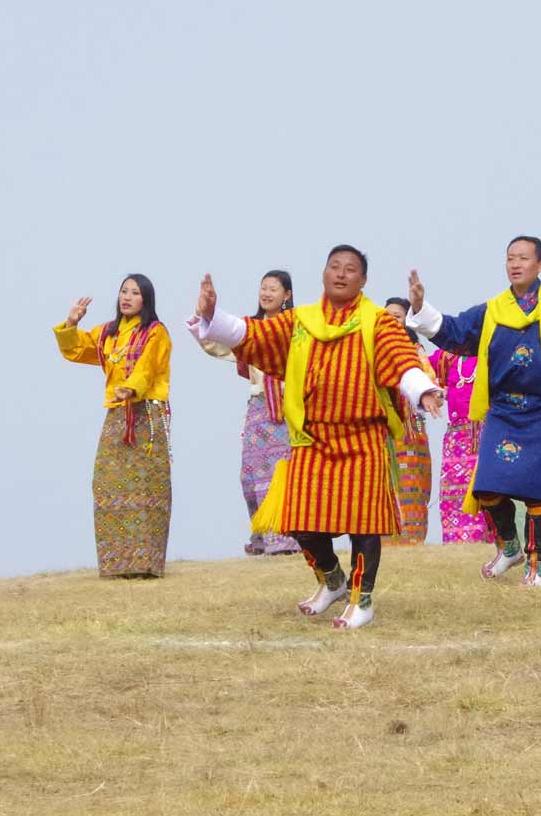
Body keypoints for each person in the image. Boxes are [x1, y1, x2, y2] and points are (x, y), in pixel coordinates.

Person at [188, 245, 444, 630]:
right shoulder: (301, 321)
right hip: (313, 439)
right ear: (323, 274)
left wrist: (421, 389)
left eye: (351, 269)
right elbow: (254, 333)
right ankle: (333, 580)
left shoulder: (379, 322)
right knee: (299, 522)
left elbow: (400, 359)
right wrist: (212, 316)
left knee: (364, 525)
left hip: (363, 440)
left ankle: (362, 600)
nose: (341, 274)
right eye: (335, 267)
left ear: (363, 280)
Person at [405, 235, 541, 585]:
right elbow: (455, 331)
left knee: (537, 496)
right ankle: (510, 546)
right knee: (488, 488)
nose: (515, 264)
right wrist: (420, 307)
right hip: (503, 412)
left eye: (523, 258)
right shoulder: (492, 310)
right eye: (510, 258)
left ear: (540, 265)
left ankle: (538, 564)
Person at [55, 275, 174, 578]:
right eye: (124, 291)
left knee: (146, 488)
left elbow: (148, 367)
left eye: (135, 293)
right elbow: (76, 350)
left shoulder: (156, 332)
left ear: (146, 299)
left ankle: (145, 564)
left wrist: (131, 388)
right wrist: (70, 323)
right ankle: (115, 564)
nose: (127, 297)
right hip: (116, 415)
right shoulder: (109, 333)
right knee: (106, 484)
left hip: (146, 415)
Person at [206, 271, 299, 556]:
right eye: (263, 288)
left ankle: (286, 540)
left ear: (287, 296)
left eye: (273, 288)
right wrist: (206, 318)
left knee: (283, 475)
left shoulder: (296, 327)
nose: (267, 293)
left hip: (290, 410)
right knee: (250, 476)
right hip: (259, 410)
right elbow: (220, 346)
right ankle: (261, 534)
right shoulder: (252, 330)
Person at [383, 297, 437, 545]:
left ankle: (412, 540)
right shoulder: (372, 349)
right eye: (388, 315)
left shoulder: (416, 352)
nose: (392, 319)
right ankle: (381, 539)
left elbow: (430, 384)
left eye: (398, 315)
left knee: (413, 482)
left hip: (410, 430)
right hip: (381, 429)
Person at [425, 347, 491, 543]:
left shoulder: (494, 351)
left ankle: (489, 541)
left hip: (487, 436)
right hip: (455, 441)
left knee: (484, 491)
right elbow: (417, 367)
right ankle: (454, 542)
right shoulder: (447, 357)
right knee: (453, 493)